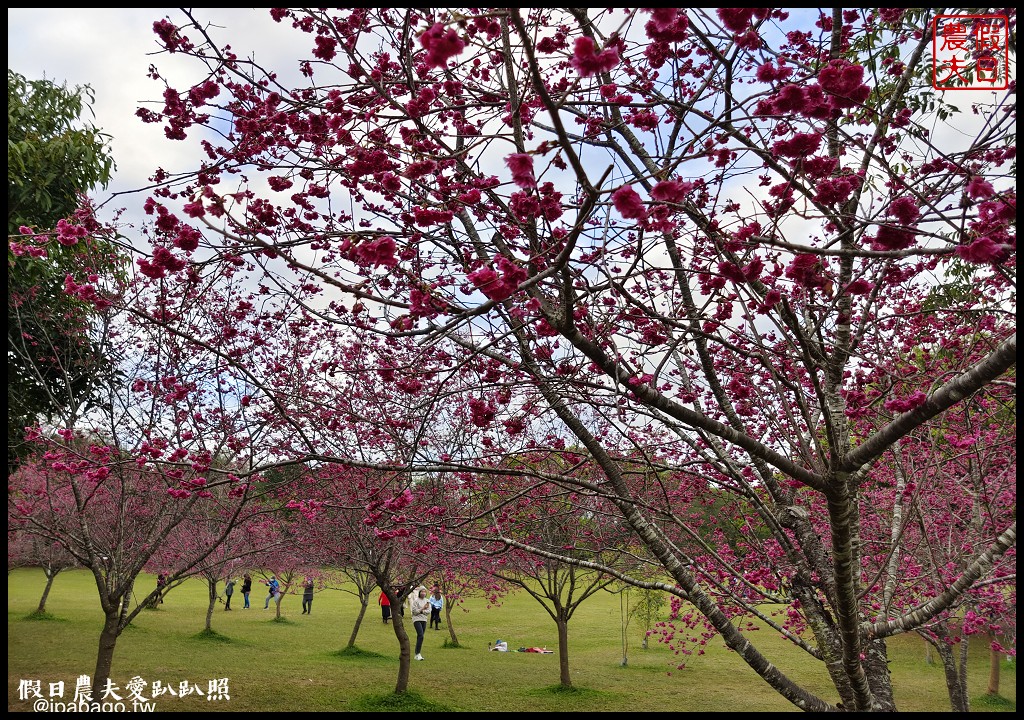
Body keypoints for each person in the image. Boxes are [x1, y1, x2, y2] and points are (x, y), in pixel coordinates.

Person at [409, 585, 431, 661]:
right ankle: (417, 653)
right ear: (419, 592)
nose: (423, 593)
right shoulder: (416, 601)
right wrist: (422, 609)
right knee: (420, 635)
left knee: (420, 637)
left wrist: (422, 611)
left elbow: (428, 611)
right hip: (416, 619)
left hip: (424, 619)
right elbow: (414, 612)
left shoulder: (427, 601)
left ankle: (417, 653)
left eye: (424, 591)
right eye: (422, 591)